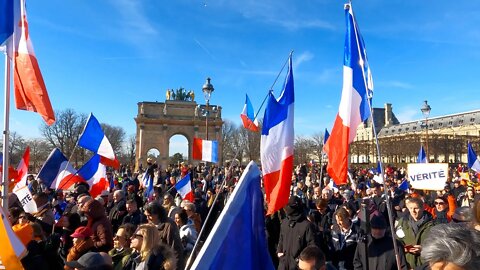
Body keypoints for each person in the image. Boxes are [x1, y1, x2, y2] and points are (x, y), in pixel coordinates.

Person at [277, 196, 317, 270]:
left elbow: (312, 247)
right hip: (283, 264)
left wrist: (299, 260)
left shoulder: (306, 225)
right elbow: (281, 239)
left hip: (298, 266)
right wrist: (279, 252)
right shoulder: (285, 222)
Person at [395, 197, 434, 269]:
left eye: (416, 208)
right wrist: (403, 249)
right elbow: (397, 240)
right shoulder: (403, 222)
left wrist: (424, 249)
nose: (413, 211)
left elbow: (437, 245)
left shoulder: (433, 225)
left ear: (423, 208)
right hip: (407, 263)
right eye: (410, 208)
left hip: (425, 264)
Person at [144, 201, 185, 268]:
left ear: (157, 214)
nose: (147, 218)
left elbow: (176, 249)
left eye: (149, 216)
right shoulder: (150, 225)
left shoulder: (169, 225)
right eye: (146, 216)